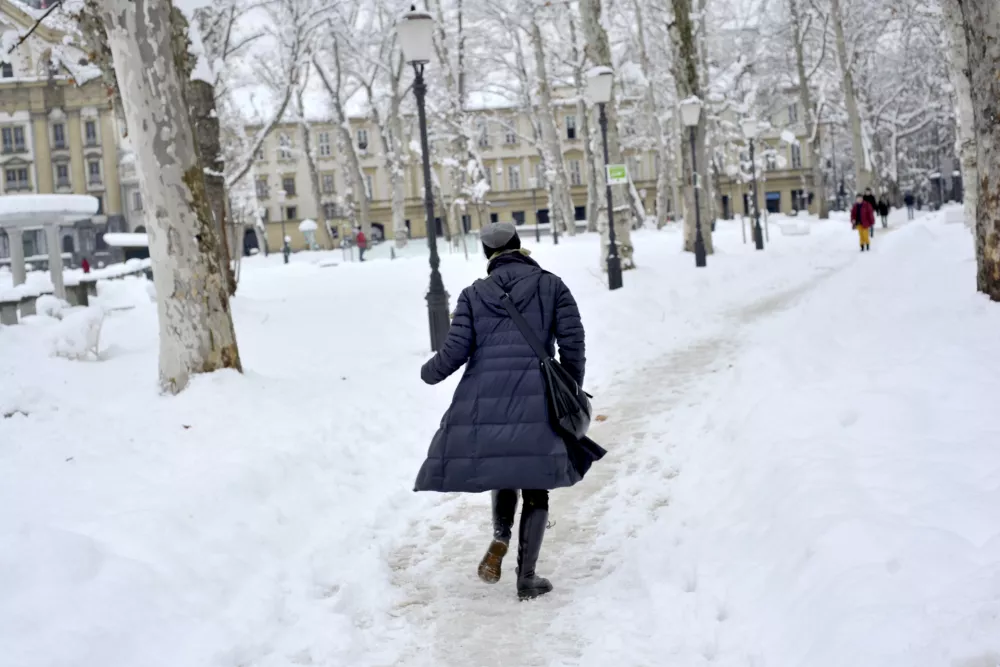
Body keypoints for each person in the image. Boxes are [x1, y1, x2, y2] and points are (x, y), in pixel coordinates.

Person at [414, 221, 586, 601]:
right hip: (537, 396)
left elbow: (455, 350)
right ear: (519, 246)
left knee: (504, 470)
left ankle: (500, 536)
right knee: (535, 483)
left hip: (484, 398)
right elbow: (573, 341)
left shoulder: (474, 294)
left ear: (487, 254)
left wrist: (429, 372)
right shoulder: (551, 285)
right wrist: (569, 387)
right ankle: (527, 578)